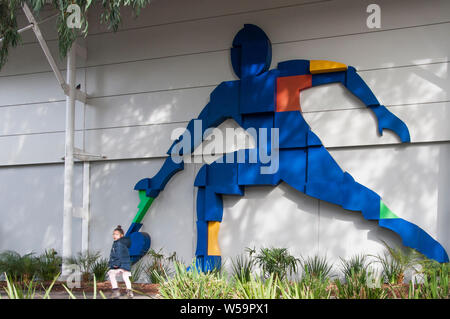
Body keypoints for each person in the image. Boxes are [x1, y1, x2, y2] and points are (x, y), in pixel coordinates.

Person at [108, 225, 133, 298]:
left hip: (120, 263)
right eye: (113, 234)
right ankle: (129, 292)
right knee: (125, 276)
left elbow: (118, 254)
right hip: (125, 263)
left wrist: (116, 264)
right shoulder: (121, 242)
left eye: (116, 234)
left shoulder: (118, 243)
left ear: (121, 235)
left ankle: (116, 291)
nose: (114, 236)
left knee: (111, 274)